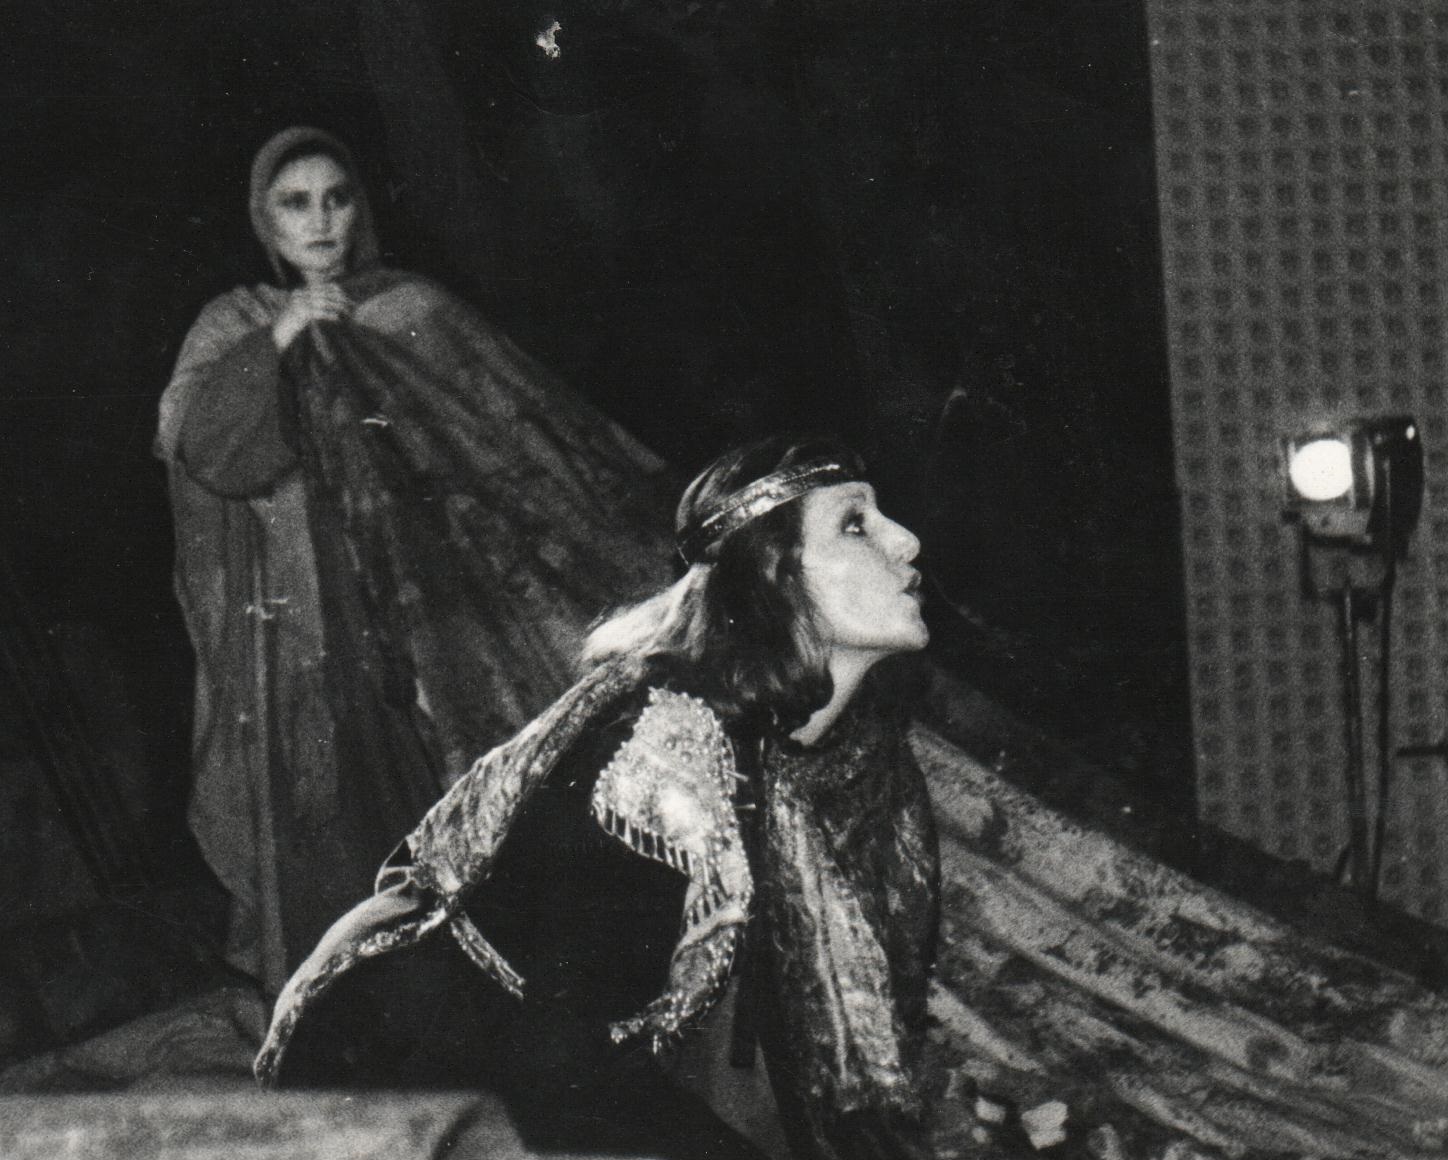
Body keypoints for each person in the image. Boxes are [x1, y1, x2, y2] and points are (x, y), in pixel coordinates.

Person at [253, 435, 942, 1160]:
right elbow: (555, 1059)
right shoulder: (663, 762)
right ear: (774, 578)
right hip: (412, 1077)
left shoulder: (784, 744)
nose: (906, 541)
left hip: (534, 1061)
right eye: (855, 524)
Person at [155, 126, 674, 998]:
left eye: (337, 197)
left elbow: (514, 430)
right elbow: (203, 450)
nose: (321, 221)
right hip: (315, 620)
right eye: (295, 203)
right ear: (263, 220)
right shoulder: (235, 323)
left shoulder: (413, 306)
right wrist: (281, 340)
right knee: (354, 816)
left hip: (442, 602)